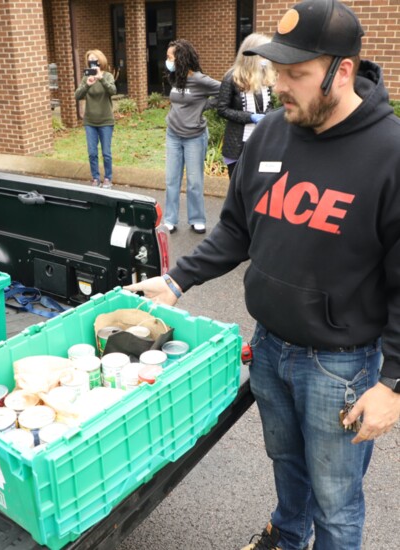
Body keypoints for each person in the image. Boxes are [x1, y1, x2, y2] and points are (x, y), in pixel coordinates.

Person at [125, 0, 400, 548]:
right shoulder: (270, 133)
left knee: (337, 499)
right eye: (278, 72)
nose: (280, 88)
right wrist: (177, 280)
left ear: (341, 71)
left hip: (339, 366)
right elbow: (235, 230)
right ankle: (288, 534)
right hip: (270, 346)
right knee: (285, 464)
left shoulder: (389, 154)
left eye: (297, 75)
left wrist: (392, 383)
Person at [163, 39, 221, 235]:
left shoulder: (200, 80)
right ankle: (170, 219)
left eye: (170, 57)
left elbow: (225, 92)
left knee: (195, 181)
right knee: (172, 179)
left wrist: (205, 106)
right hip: (173, 134)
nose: (167, 61)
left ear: (181, 58)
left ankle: (197, 219)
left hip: (194, 137)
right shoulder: (175, 77)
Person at [217, 33, 276, 178]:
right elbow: (222, 109)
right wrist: (251, 117)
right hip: (237, 143)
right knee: (237, 187)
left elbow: (269, 105)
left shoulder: (266, 76)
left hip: (261, 140)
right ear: (251, 53)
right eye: (263, 54)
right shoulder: (231, 77)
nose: (266, 59)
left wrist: (269, 115)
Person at [74, 49, 117, 189]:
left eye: (95, 60)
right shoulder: (86, 78)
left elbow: (113, 91)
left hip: (106, 121)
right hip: (90, 122)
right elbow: (77, 95)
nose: (93, 63)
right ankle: (95, 178)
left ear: (100, 61)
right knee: (92, 153)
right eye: (90, 60)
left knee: (106, 153)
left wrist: (101, 78)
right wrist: (88, 84)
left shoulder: (108, 76)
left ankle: (108, 179)